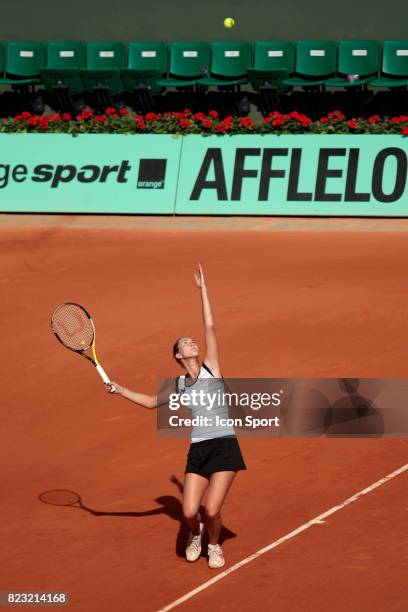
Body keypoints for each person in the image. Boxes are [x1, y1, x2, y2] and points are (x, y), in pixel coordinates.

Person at [106, 263, 246, 569]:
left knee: (210, 510)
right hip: (199, 450)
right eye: (185, 342)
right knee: (187, 513)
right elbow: (149, 403)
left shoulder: (212, 367)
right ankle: (194, 534)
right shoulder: (180, 385)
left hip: (224, 446)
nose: (192, 342)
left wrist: (203, 290)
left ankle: (213, 543)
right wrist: (120, 389)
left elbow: (209, 325)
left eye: (192, 340)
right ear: (178, 356)